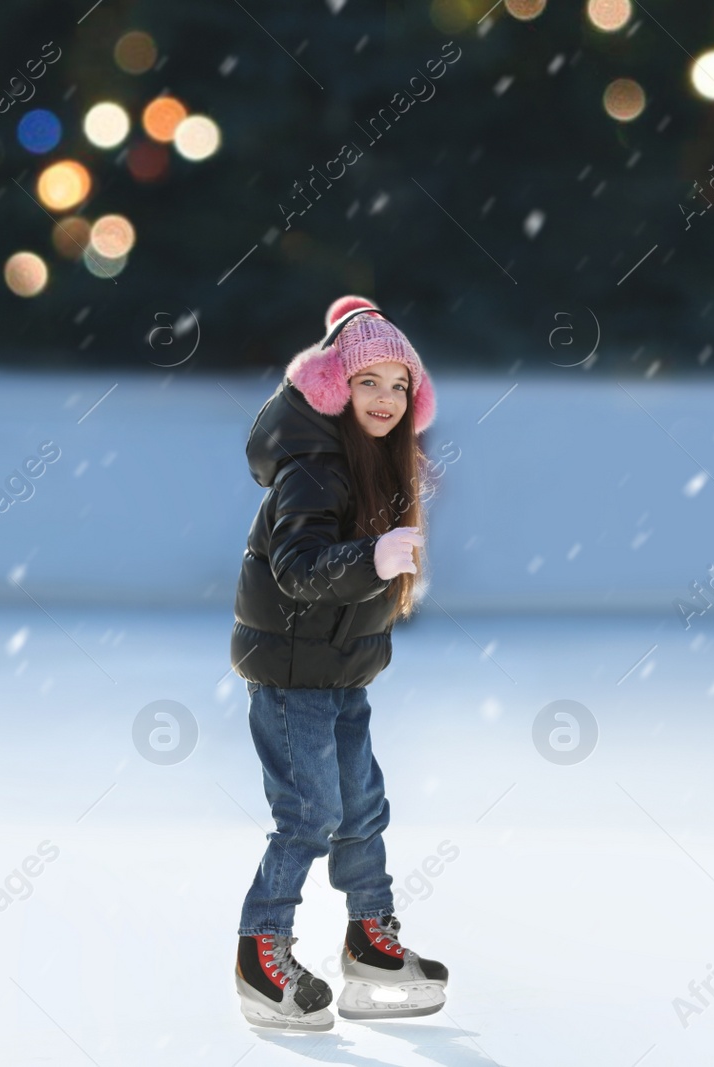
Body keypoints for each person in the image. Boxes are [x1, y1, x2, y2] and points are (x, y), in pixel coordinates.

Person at [229, 295, 449, 1031]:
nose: (385, 399)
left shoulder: (370, 466)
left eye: (398, 385)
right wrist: (371, 556)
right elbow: (296, 568)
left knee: (361, 810)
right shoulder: (313, 467)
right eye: (367, 383)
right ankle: (263, 955)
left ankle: (368, 940)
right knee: (309, 814)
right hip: (293, 675)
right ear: (334, 388)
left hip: (342, 671)